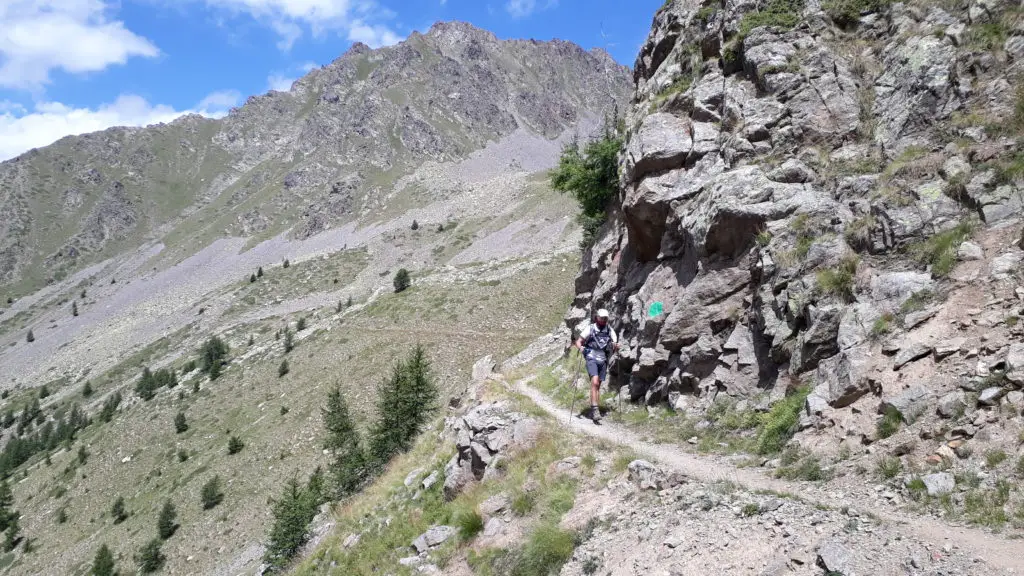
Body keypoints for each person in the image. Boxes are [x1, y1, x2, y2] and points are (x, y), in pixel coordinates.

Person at [574, 309, 618, 423]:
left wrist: (616, 346)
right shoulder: (590, 328)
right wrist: (581, 348)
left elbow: (615, 343)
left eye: (605, 318)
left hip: (603, 359)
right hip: (591, 357)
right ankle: (595, 410)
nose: (603, 320)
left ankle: (595, 410)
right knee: (594, 381)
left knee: (598, 385)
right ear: (597, 317)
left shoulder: (609, 330)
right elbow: (578, 341)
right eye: (601, 318)